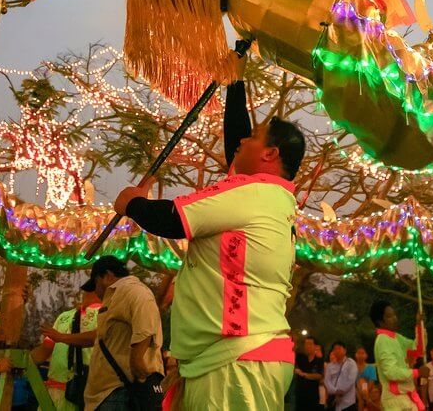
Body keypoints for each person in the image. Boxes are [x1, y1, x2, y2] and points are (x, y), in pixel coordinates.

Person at [114, 65, 306, 410]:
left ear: (270, 154)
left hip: (237, 363)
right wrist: (235, 79)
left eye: (254, 137)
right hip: (231, 359)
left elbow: (173, 219)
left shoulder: (255, 194)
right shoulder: (272, 196)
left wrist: (132, 203)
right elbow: (236, 143)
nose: (242, 141)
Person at [43, 255, 163, 411]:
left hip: (121, 391)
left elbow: (146, 326)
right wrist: (62, 337)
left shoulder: (133, 290)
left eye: (95, 283)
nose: (95, 291)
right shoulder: (116, 297)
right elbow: (99, 337)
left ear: (107, 276)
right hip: (106, 395)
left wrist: (137, 362)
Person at [30, 283, 100, 411]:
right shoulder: (65, 316)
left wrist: (61, 337)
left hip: (82, 395)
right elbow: (45, 350)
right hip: (53, 394)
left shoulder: (107, 315)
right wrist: (20, 360)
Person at [369, 299, 424, 411]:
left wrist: (419, 325)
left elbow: (418, 349)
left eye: (394, 314)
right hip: (395, 401)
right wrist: (417, 372)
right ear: (380, 322)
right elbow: (391, 372)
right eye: (390, 316)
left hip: (405, 399)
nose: (395, 318)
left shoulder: (396, 337)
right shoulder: (382, 340)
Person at [324, 341, 358, 411]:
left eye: (339, 348)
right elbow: (327, 381)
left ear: (345, 351)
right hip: (334, 401)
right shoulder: (330, 366)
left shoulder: (351, 363)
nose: (337, 351)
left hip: (348, 402)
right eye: (335, 349)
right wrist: (335, 391)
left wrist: (341, 391)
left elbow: (351, 380)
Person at [293, 336, 324, 411]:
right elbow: (291, 350)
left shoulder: (319, 360)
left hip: (313, 396)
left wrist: (303, 374)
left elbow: (319, 376)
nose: (307, 346)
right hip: (300, 395)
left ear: (315, 346)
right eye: (306, 344)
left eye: (310, 344)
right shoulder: (300, 357)